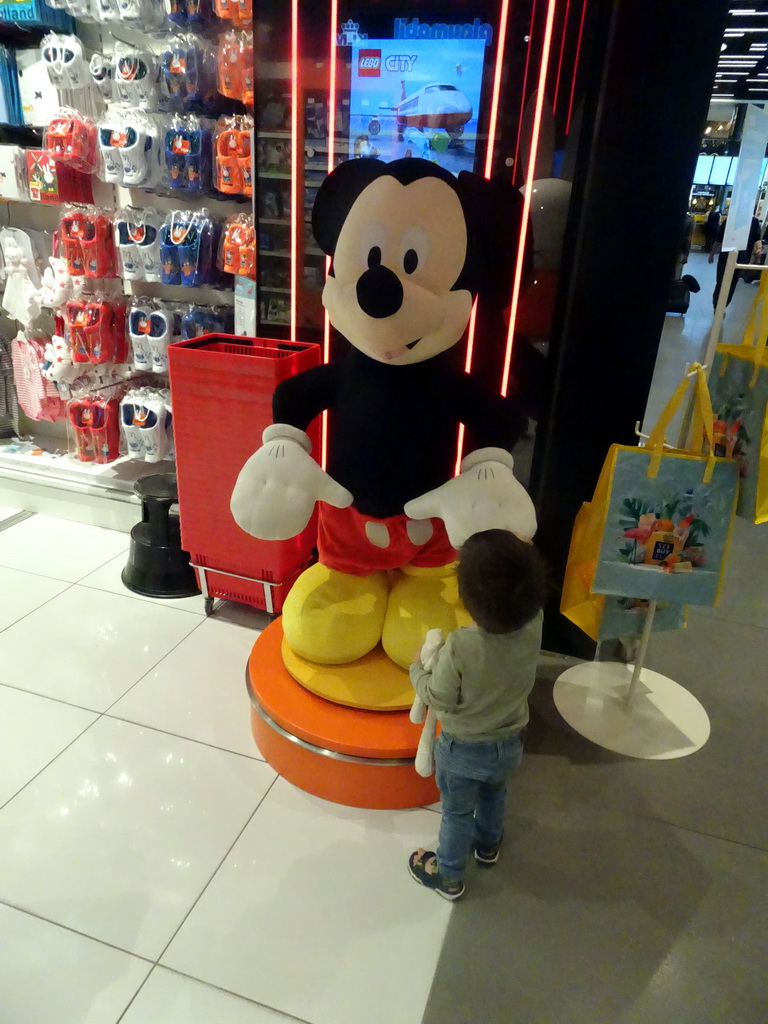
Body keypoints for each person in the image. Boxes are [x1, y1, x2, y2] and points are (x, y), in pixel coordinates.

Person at [407, 529, 546, 900]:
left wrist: (417, 670)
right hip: (511, 741)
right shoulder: (535, 623)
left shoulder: (462, 646)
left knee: (455, 813)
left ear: (466, 598)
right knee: (494, 793)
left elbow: (440, 697)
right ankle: (488, 845)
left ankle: (449, 876)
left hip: (463, 749)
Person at [709, 214, 763, 310]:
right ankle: (717, 305)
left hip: (741, 257)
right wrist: (712, 254)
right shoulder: (729, 220)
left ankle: (723, 305)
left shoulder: (753, 222)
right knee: (721, 282)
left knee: (732, 283)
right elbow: (719, 239)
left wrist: (758, 248)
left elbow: (757, 238)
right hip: (725, 256)